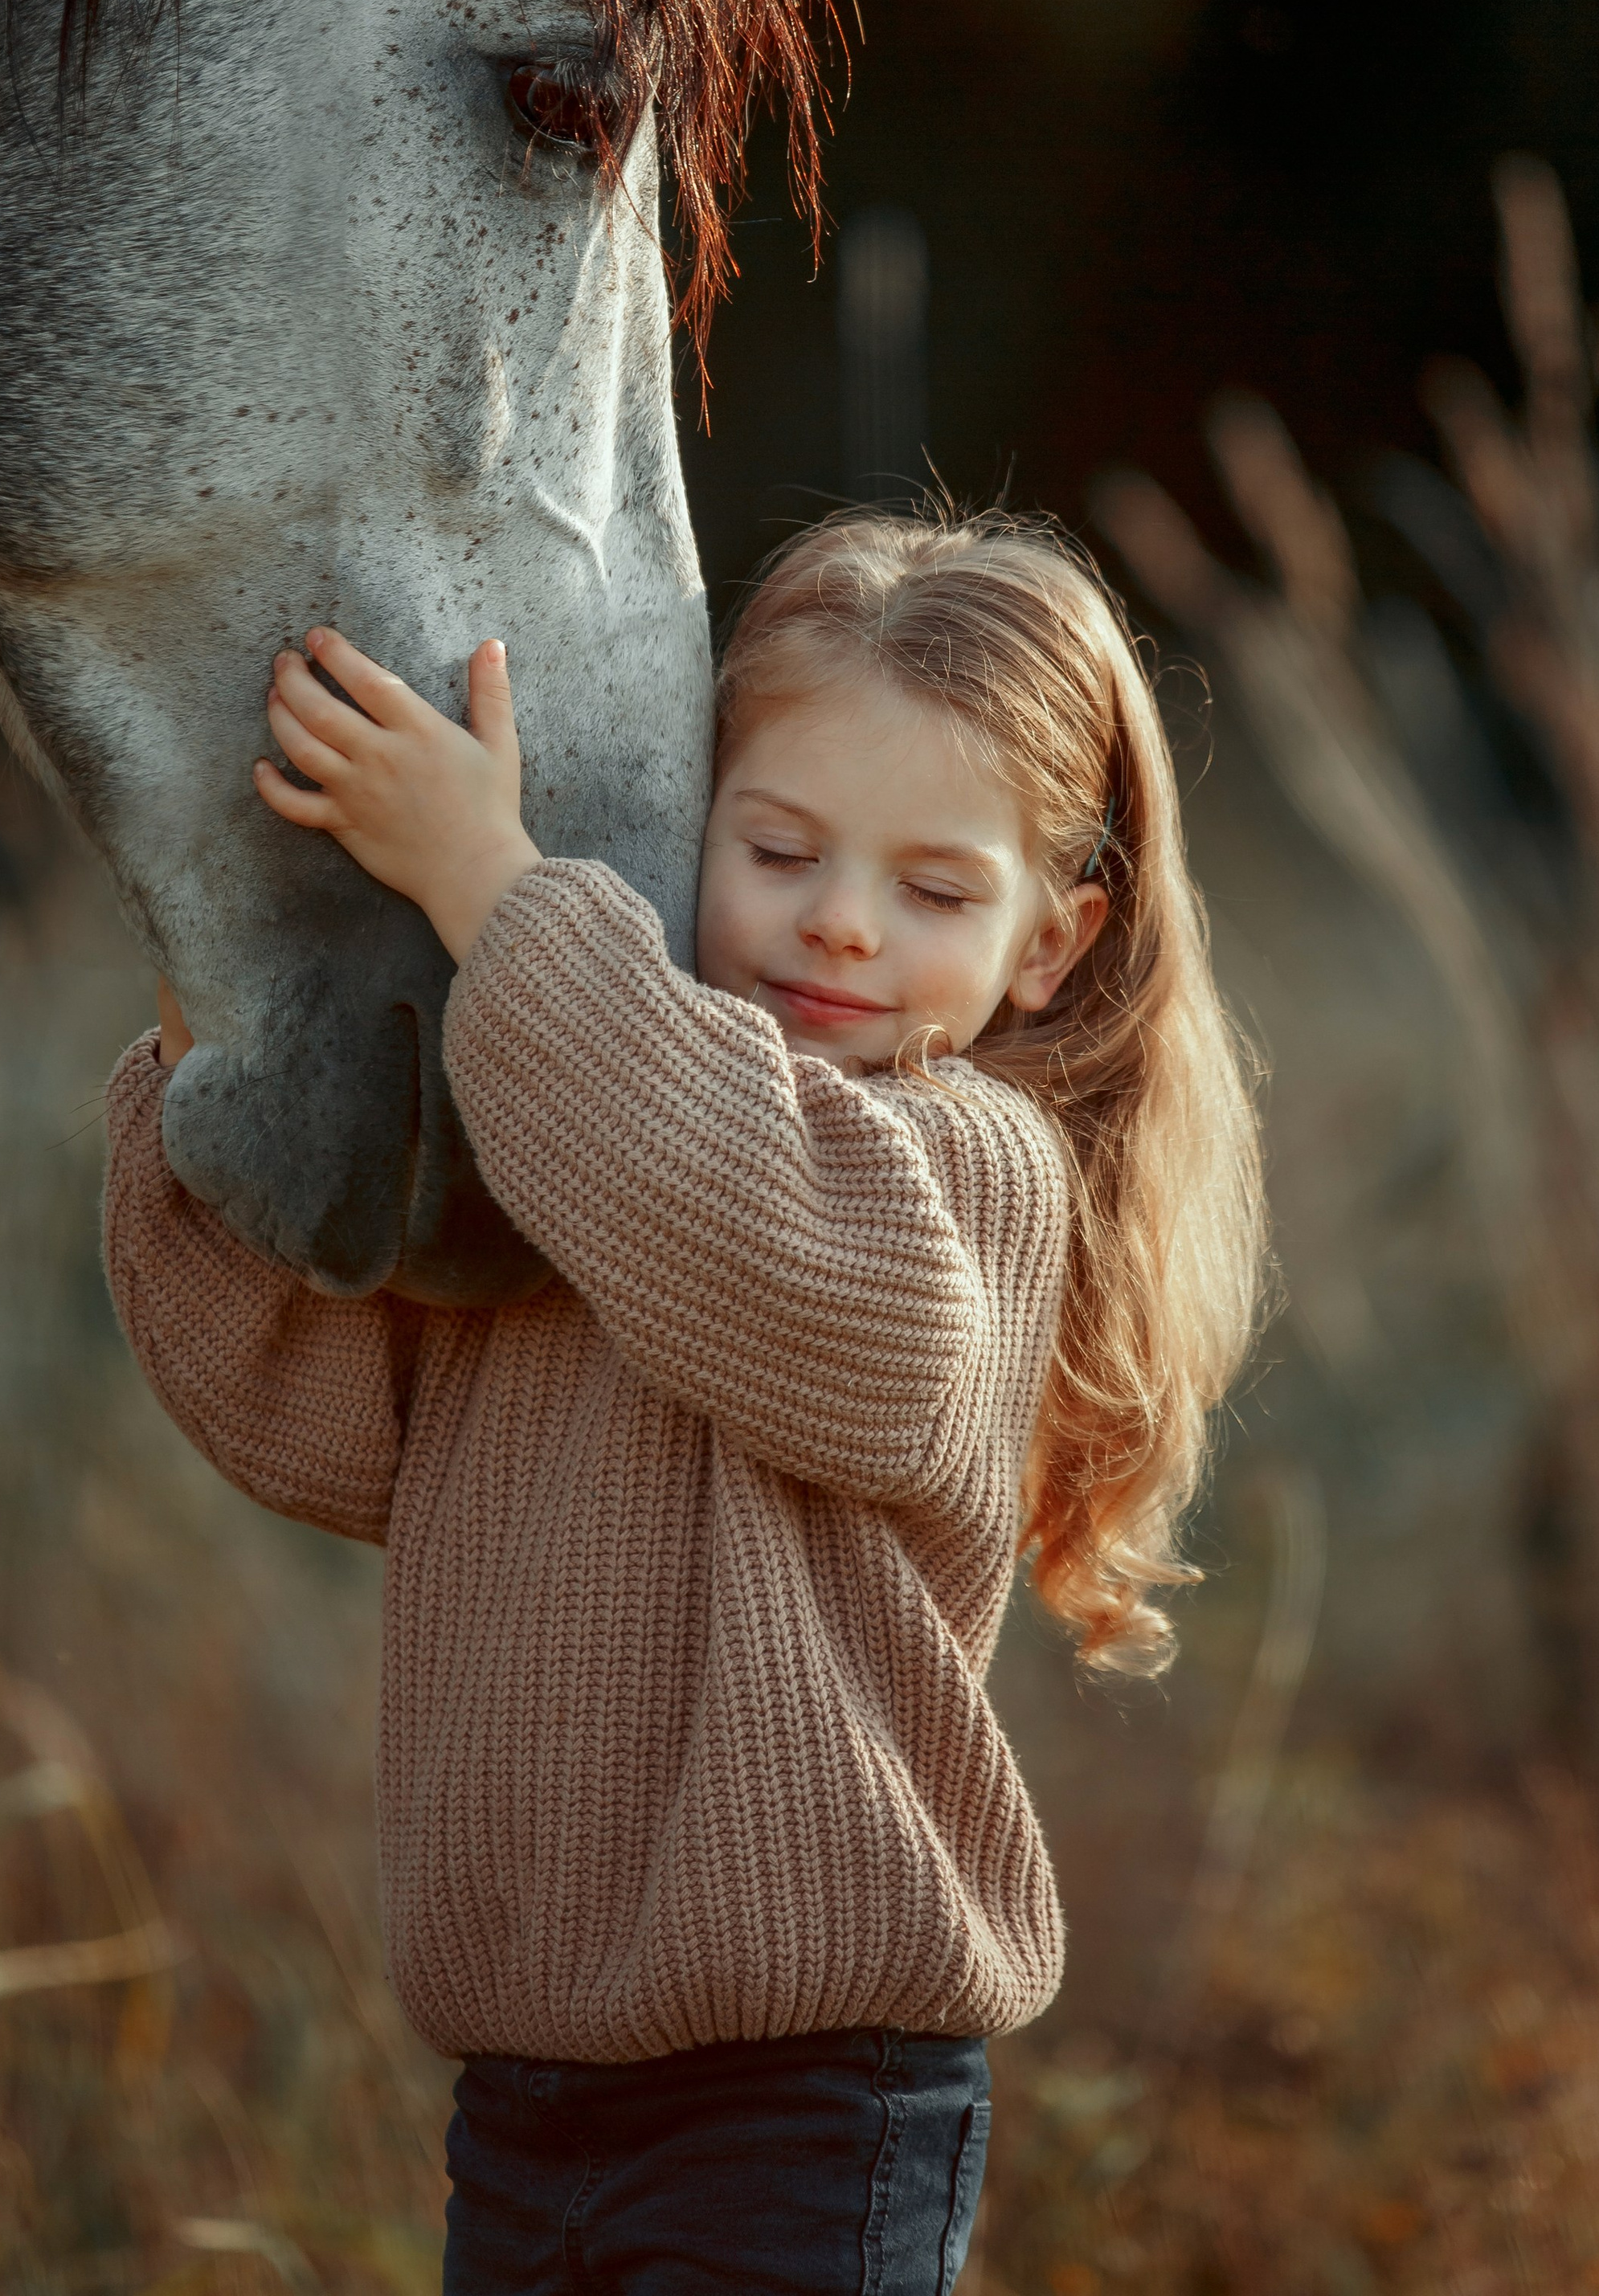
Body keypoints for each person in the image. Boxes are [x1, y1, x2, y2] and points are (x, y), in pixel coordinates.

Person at [104, 508, 1266, 2293]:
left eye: (934, 890)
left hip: (806, 2106)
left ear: (1051, 941)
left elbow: (757, 1232)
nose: (843, 929)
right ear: (682, 823)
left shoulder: (958, 1175)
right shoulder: (590, 1143)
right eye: (778, 847)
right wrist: (214, 1028)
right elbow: (317, 1419)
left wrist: (492, 894)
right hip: (523, 2102)